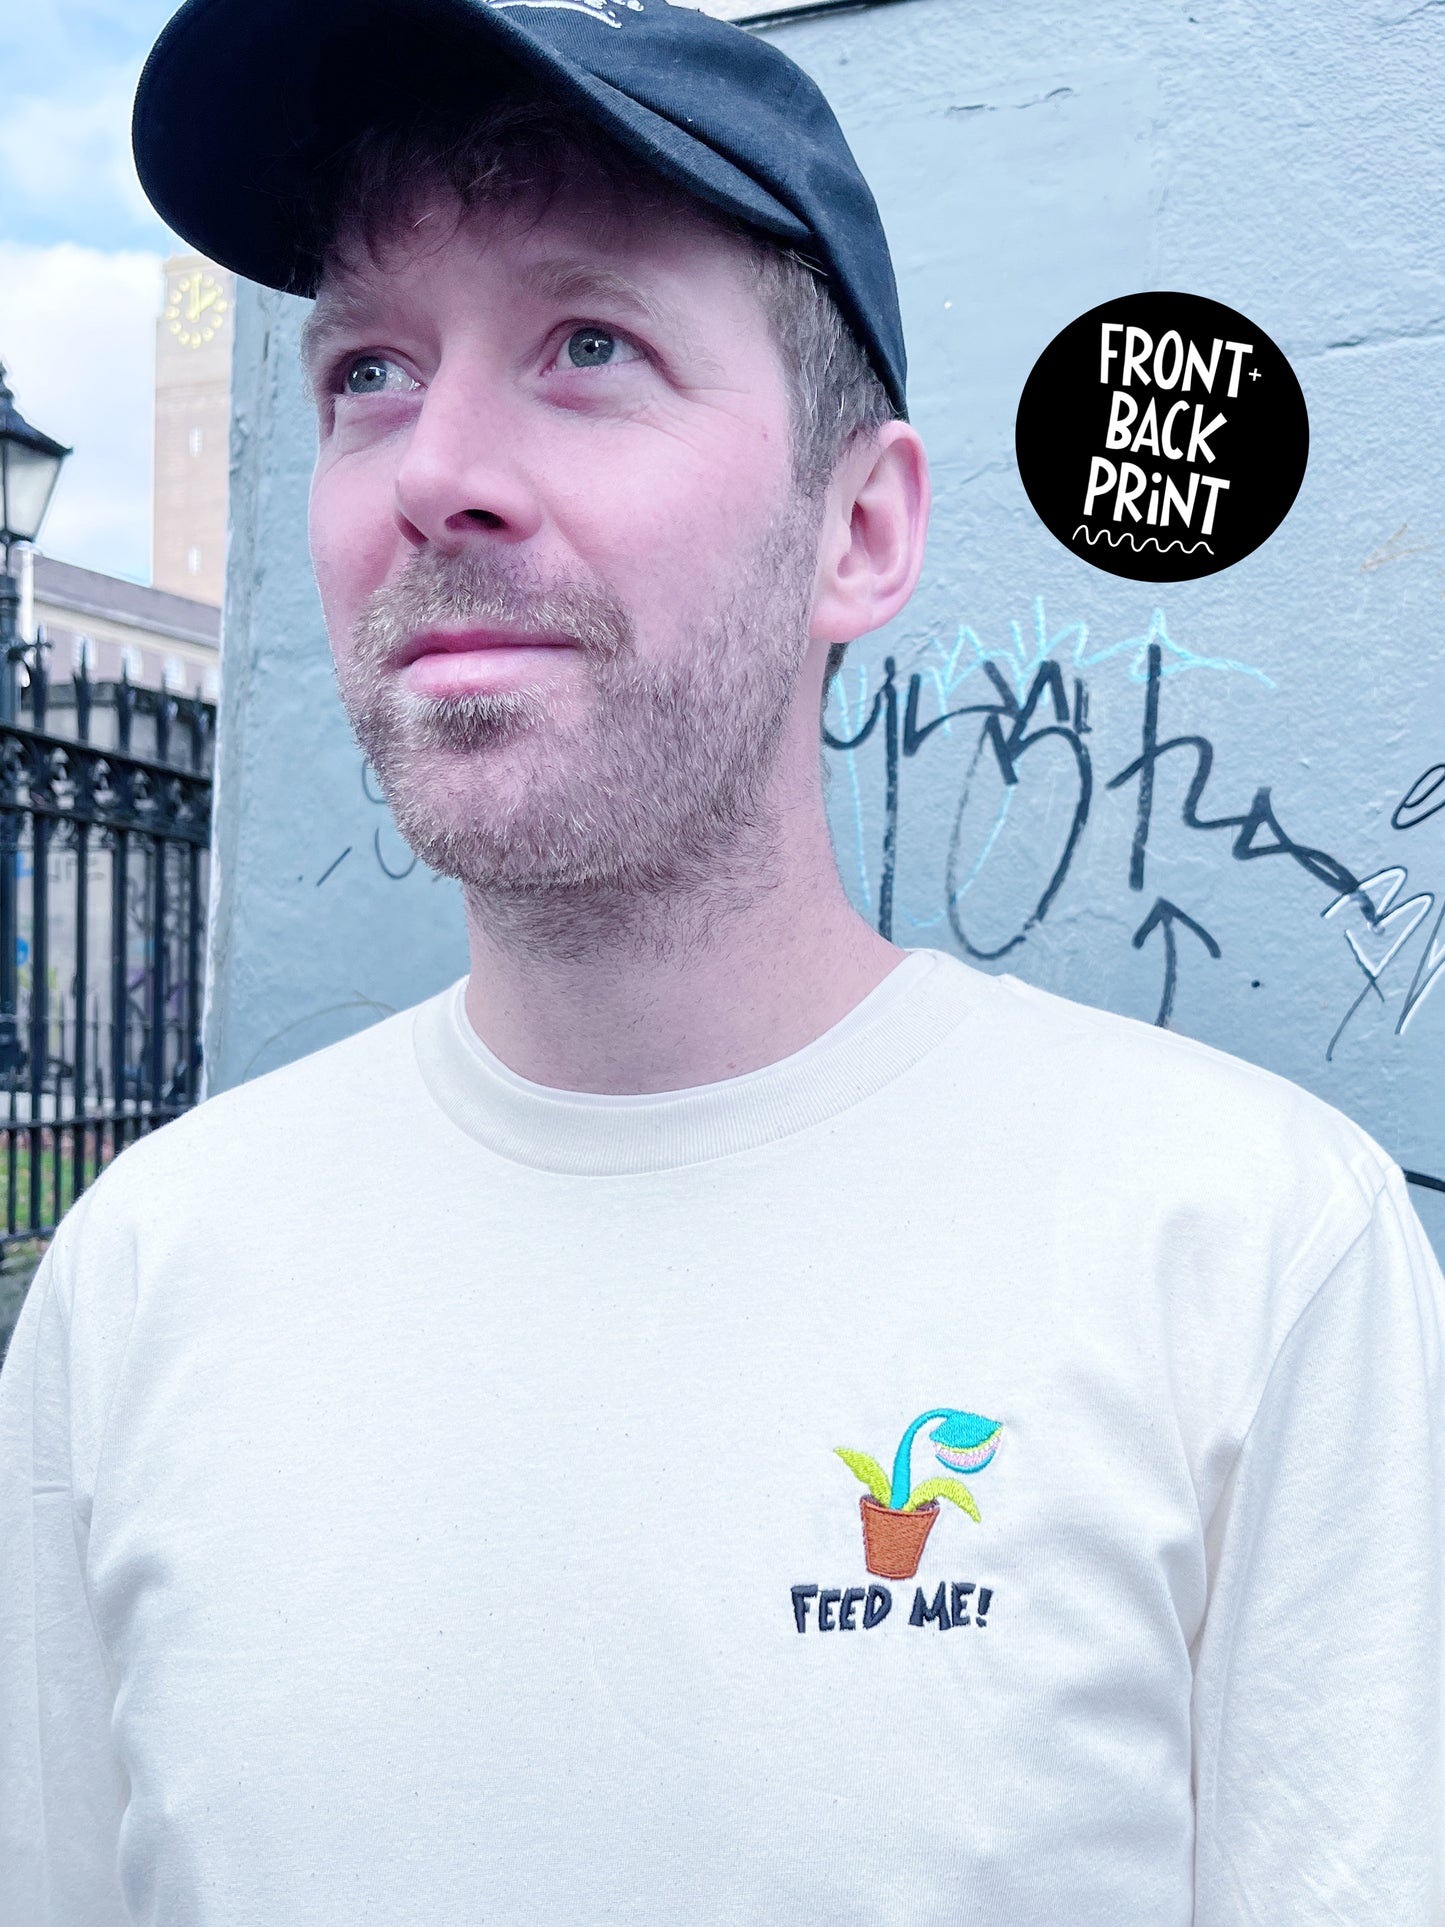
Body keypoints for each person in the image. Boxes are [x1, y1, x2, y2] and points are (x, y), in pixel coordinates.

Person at [2, 0, 1441, 1920]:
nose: (436, 468)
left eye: (588, 345)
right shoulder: (138, 1285)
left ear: (860, 529)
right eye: (369, 370)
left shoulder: (1251, 1258)